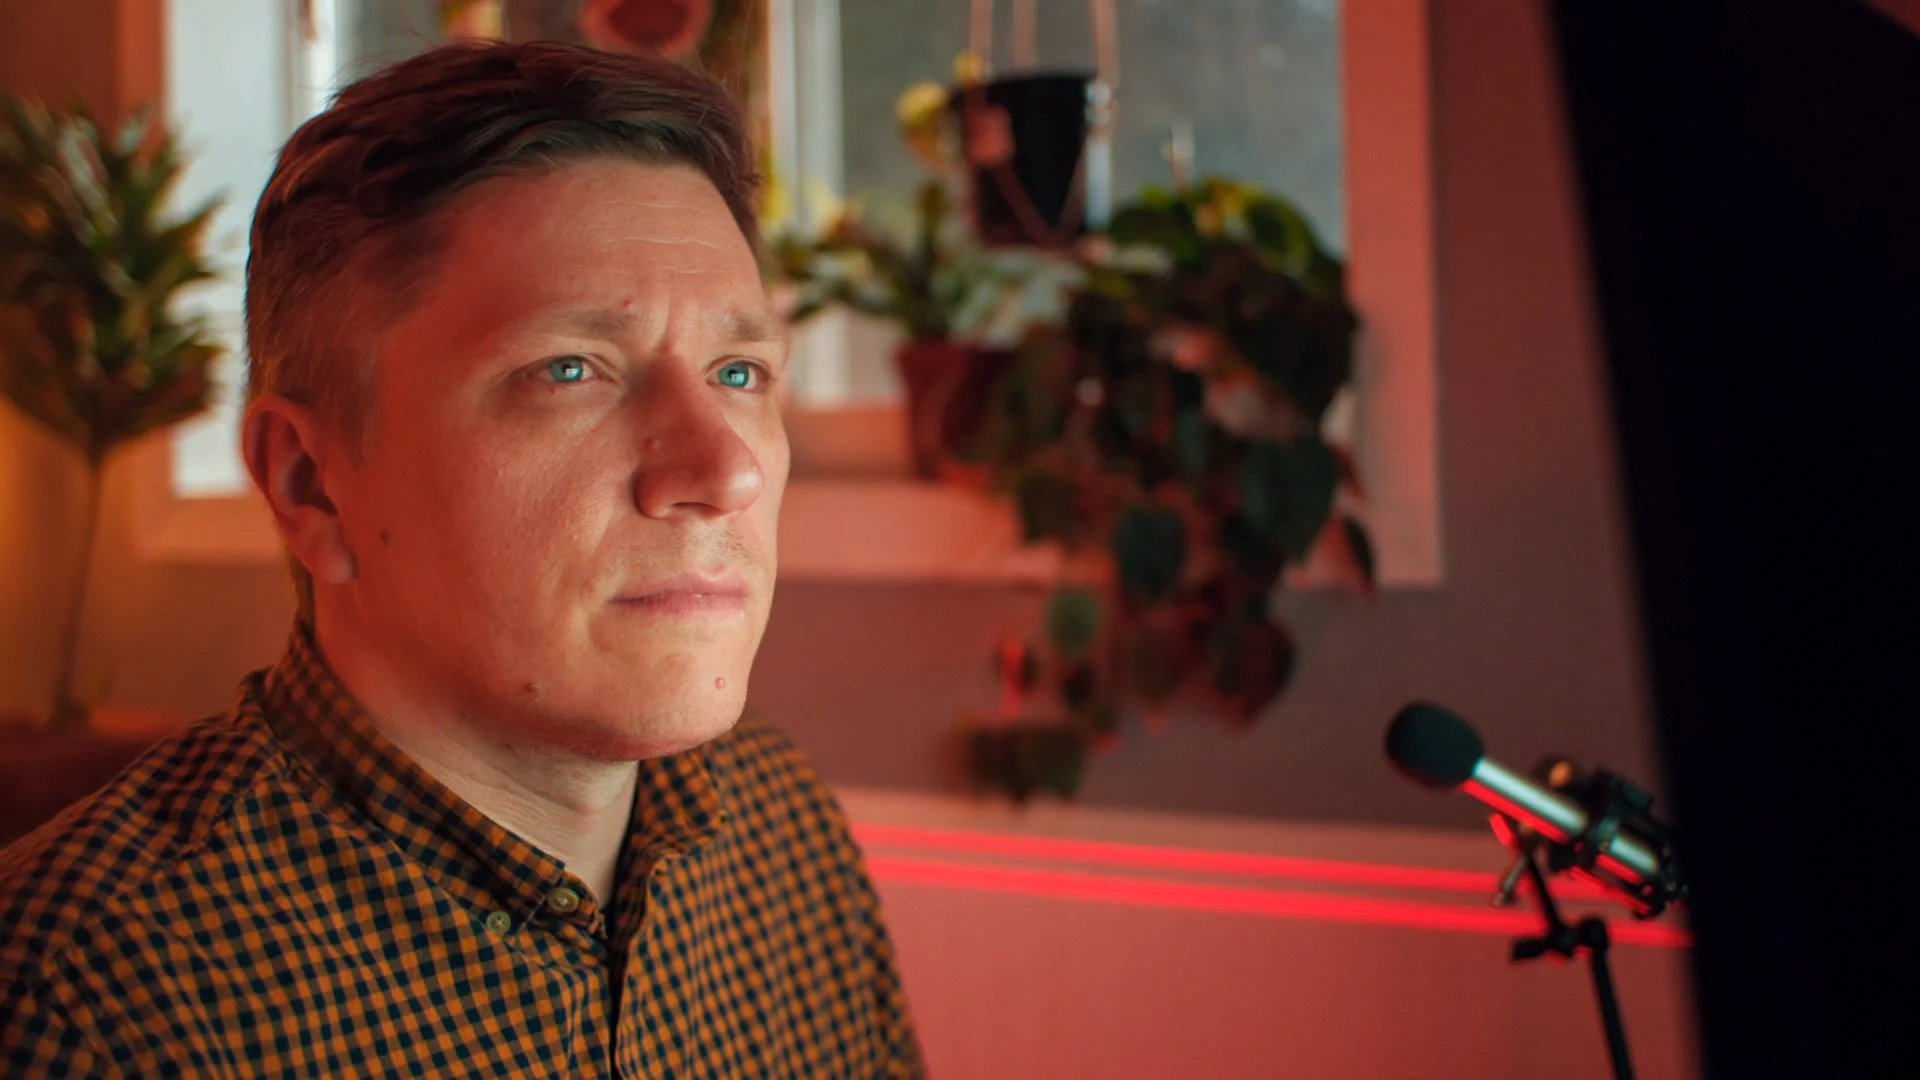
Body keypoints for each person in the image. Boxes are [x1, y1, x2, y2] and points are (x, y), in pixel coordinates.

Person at [0, 40, 923, 1077]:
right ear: (311, 484)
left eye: (739, 369)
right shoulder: (89, 1006)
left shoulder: (779, 822)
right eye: (570, 369)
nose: (724, 471)